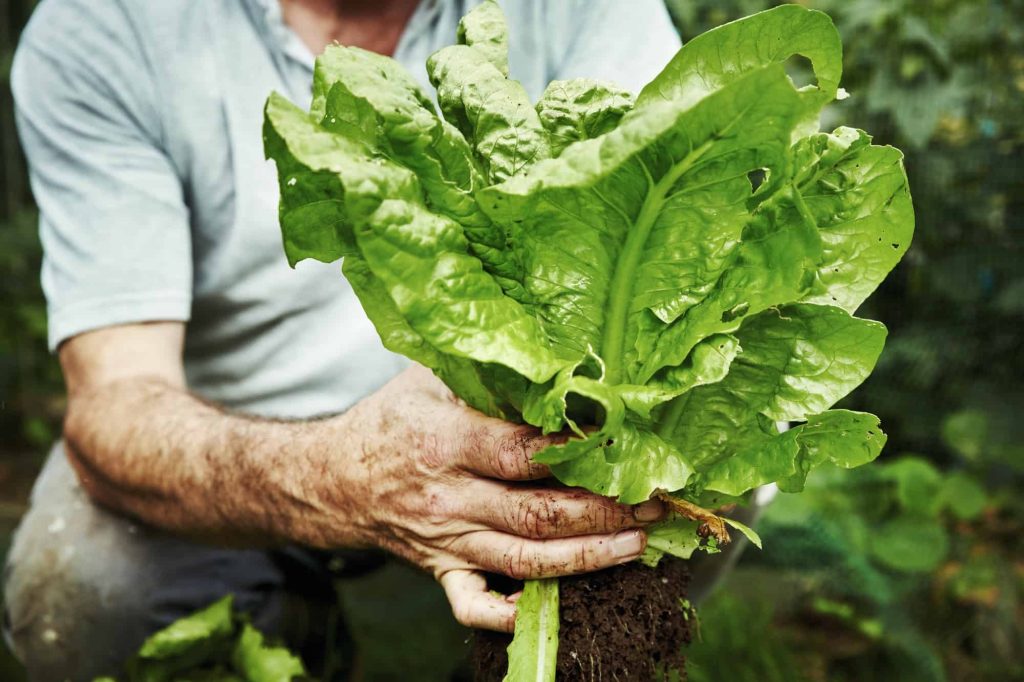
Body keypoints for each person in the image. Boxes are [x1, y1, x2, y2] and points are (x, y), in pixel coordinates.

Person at [3, 1, 752, 679]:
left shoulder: (585, 11)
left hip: (521, 466)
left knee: (717, 451)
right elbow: (114, 406)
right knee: (80, 580)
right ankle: (297, 632)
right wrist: (342, 476)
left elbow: (672, 269)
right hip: (234, 479)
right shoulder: (109, 27)